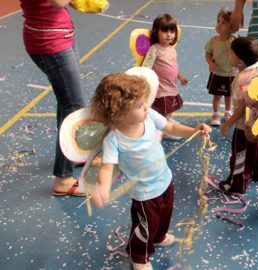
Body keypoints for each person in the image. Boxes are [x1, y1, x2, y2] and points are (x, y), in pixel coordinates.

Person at [90, 73, 211, 270]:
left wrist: (193, 130)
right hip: (144, 193)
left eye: (144, 102)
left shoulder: (149, 117)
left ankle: (159, 236)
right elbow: (107, 166)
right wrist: (103, 188)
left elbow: (170, 126)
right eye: (139, 106)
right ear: (118, 113)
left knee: (165, 214)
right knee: (145, 225)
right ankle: (139, 255)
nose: (147, 107)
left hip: (165, 179)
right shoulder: (114, 139)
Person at [20, 0, 86, 196]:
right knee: (74, 107)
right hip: (51, 43)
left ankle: (70, 155)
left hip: (60, 35)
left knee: (68, 102)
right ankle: (63, 178)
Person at [219, 37, 258, 194]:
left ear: (240, 61)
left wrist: (228, 124)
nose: (228, 54)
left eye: (231, 52)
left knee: (241, 155)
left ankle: (237, 184)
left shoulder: (241, 79)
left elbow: (243, 106)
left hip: (245, 127)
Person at [142, 14, 188, 139]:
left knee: (169, 108)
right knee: (163, 109)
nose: (169, 35)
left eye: (172, 31)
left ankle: (166, 124)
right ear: (156, 32)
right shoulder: (154, 49)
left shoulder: (172, 49)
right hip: (161, 88)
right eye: (165, 31)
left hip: (171, 86)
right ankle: (163, 130)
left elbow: (174, 66)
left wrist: (180, 77)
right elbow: (146, 67)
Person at [205, 7, 237, 126]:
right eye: (218, 21)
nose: (219, 25)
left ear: (232, 27)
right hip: (217, 73)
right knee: (217, 96)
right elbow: (208, 53)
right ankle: (216, 113)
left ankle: (228, 112)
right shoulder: (213, 41)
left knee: (229, 96)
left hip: (231, 74)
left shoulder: (234, 41)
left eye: (223, 23)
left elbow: (239, 54)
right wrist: (210, 63)